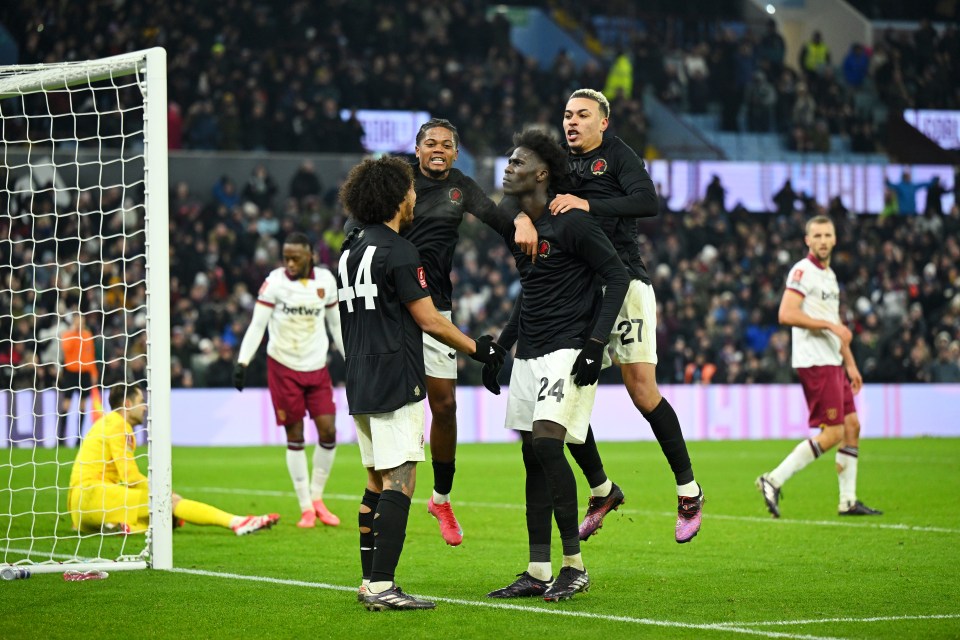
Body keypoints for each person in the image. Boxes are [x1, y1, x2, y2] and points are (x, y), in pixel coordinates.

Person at [510, 88, 705, 544]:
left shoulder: (619, 157)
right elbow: (520, 184)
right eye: (566, 114)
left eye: (582, 115)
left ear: (603, 123)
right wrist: (520, 217)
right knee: (569, 393)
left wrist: (587, 204)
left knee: (641, 390)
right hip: (579, 288)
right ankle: (601, 490)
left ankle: (689, 490)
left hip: (626, 283)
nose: (571, 122)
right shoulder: (557, 161)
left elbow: (648, 202)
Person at [336, 155, 505, 611]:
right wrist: (479, 349)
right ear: (395, 198)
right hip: (395, 376)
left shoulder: (350, 249)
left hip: (360, 377)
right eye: (409, 191)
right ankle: (381, 586)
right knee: (401, 480)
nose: (415, 197)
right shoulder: (400, 250)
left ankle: (368, 580)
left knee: (375, 481)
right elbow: (429, 319)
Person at [347, 118, 524, 546]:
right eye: (431, 143)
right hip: (394, 303)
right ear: (418, 148)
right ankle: (383, 489)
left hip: (433, 304)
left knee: (443, 406)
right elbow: (366, 222)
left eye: (446, 144)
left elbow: (499, 219)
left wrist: (522, 222)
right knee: (399, 407)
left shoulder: (461, 187)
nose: (438, 149)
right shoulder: (397, 183)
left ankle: (440, 498)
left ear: (456, 152)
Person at [485, 129, 628, 602]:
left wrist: (595, 344)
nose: (508, 166)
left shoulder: (573, 222)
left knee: (548, 447)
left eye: (517, 160)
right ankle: (537, 569)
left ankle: (575, 566)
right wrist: (503, 349)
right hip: (530, 352)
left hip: (570, 347)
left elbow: (616, 275)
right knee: (532, 458)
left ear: (542, 173)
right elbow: (531, 295)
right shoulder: (522, 224)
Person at [756, 215, 882, 518]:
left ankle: (847, 500)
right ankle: (772, 479)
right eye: (818, 235)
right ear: (807, 240)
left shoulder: (829, 276)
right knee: (833, 433)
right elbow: (786, 313)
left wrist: (850, 363)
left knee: (852, 426)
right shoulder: (803, 271)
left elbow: (836, 325)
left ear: (835, 239)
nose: (823, 240)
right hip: (815, 361)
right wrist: (830, 326)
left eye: (828, 235)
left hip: (834, 361)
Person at [233, 231, 345, 529]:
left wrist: (353, 360)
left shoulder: (326, 281)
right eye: (286, 257)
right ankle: (306, 507)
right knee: (295, 437)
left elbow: (336, 326)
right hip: (283, 367)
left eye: (295, 257)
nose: (290, 263)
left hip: (317, 366)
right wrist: (243, 361)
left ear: (311, 256)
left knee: (329, 431)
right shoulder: (275, 283)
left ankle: (318, 497)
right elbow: (258, 325)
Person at [68, 382, 279, 535]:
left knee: (165, 518)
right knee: (168, 503)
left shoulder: (104, 423)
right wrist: (161, 489)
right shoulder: (119, 426)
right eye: (141, 401)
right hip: (95, 496)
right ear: (127, 403)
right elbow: (129, 476)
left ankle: (121, 526)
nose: (145, 407)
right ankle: (236, 522)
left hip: (81, 511)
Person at [57, 312, 99, 447]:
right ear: (74, 321)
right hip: (71, 373)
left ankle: (78, 438)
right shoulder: (68, 335)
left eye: (82, 321)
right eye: (78, 321)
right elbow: (66, 349)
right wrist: (74, 332)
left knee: (82, 406)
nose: (81, 323)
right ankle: (61, 438)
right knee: (66, 405)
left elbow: (90, 355)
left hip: (85, 373)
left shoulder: (87, 335)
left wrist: (94, 373)